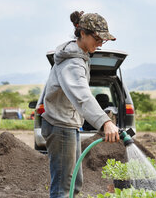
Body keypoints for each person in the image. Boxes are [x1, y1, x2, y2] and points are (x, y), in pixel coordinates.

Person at [41, 11, 120, 198]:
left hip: (67, 125)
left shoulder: (80, 55)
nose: (100, 43)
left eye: (104, 40)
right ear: (82, 33)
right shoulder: (73, 63)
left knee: (73, 184)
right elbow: (82, 96)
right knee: (63, 188)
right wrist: (105, 122)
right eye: (98, 38)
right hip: (60, 127)